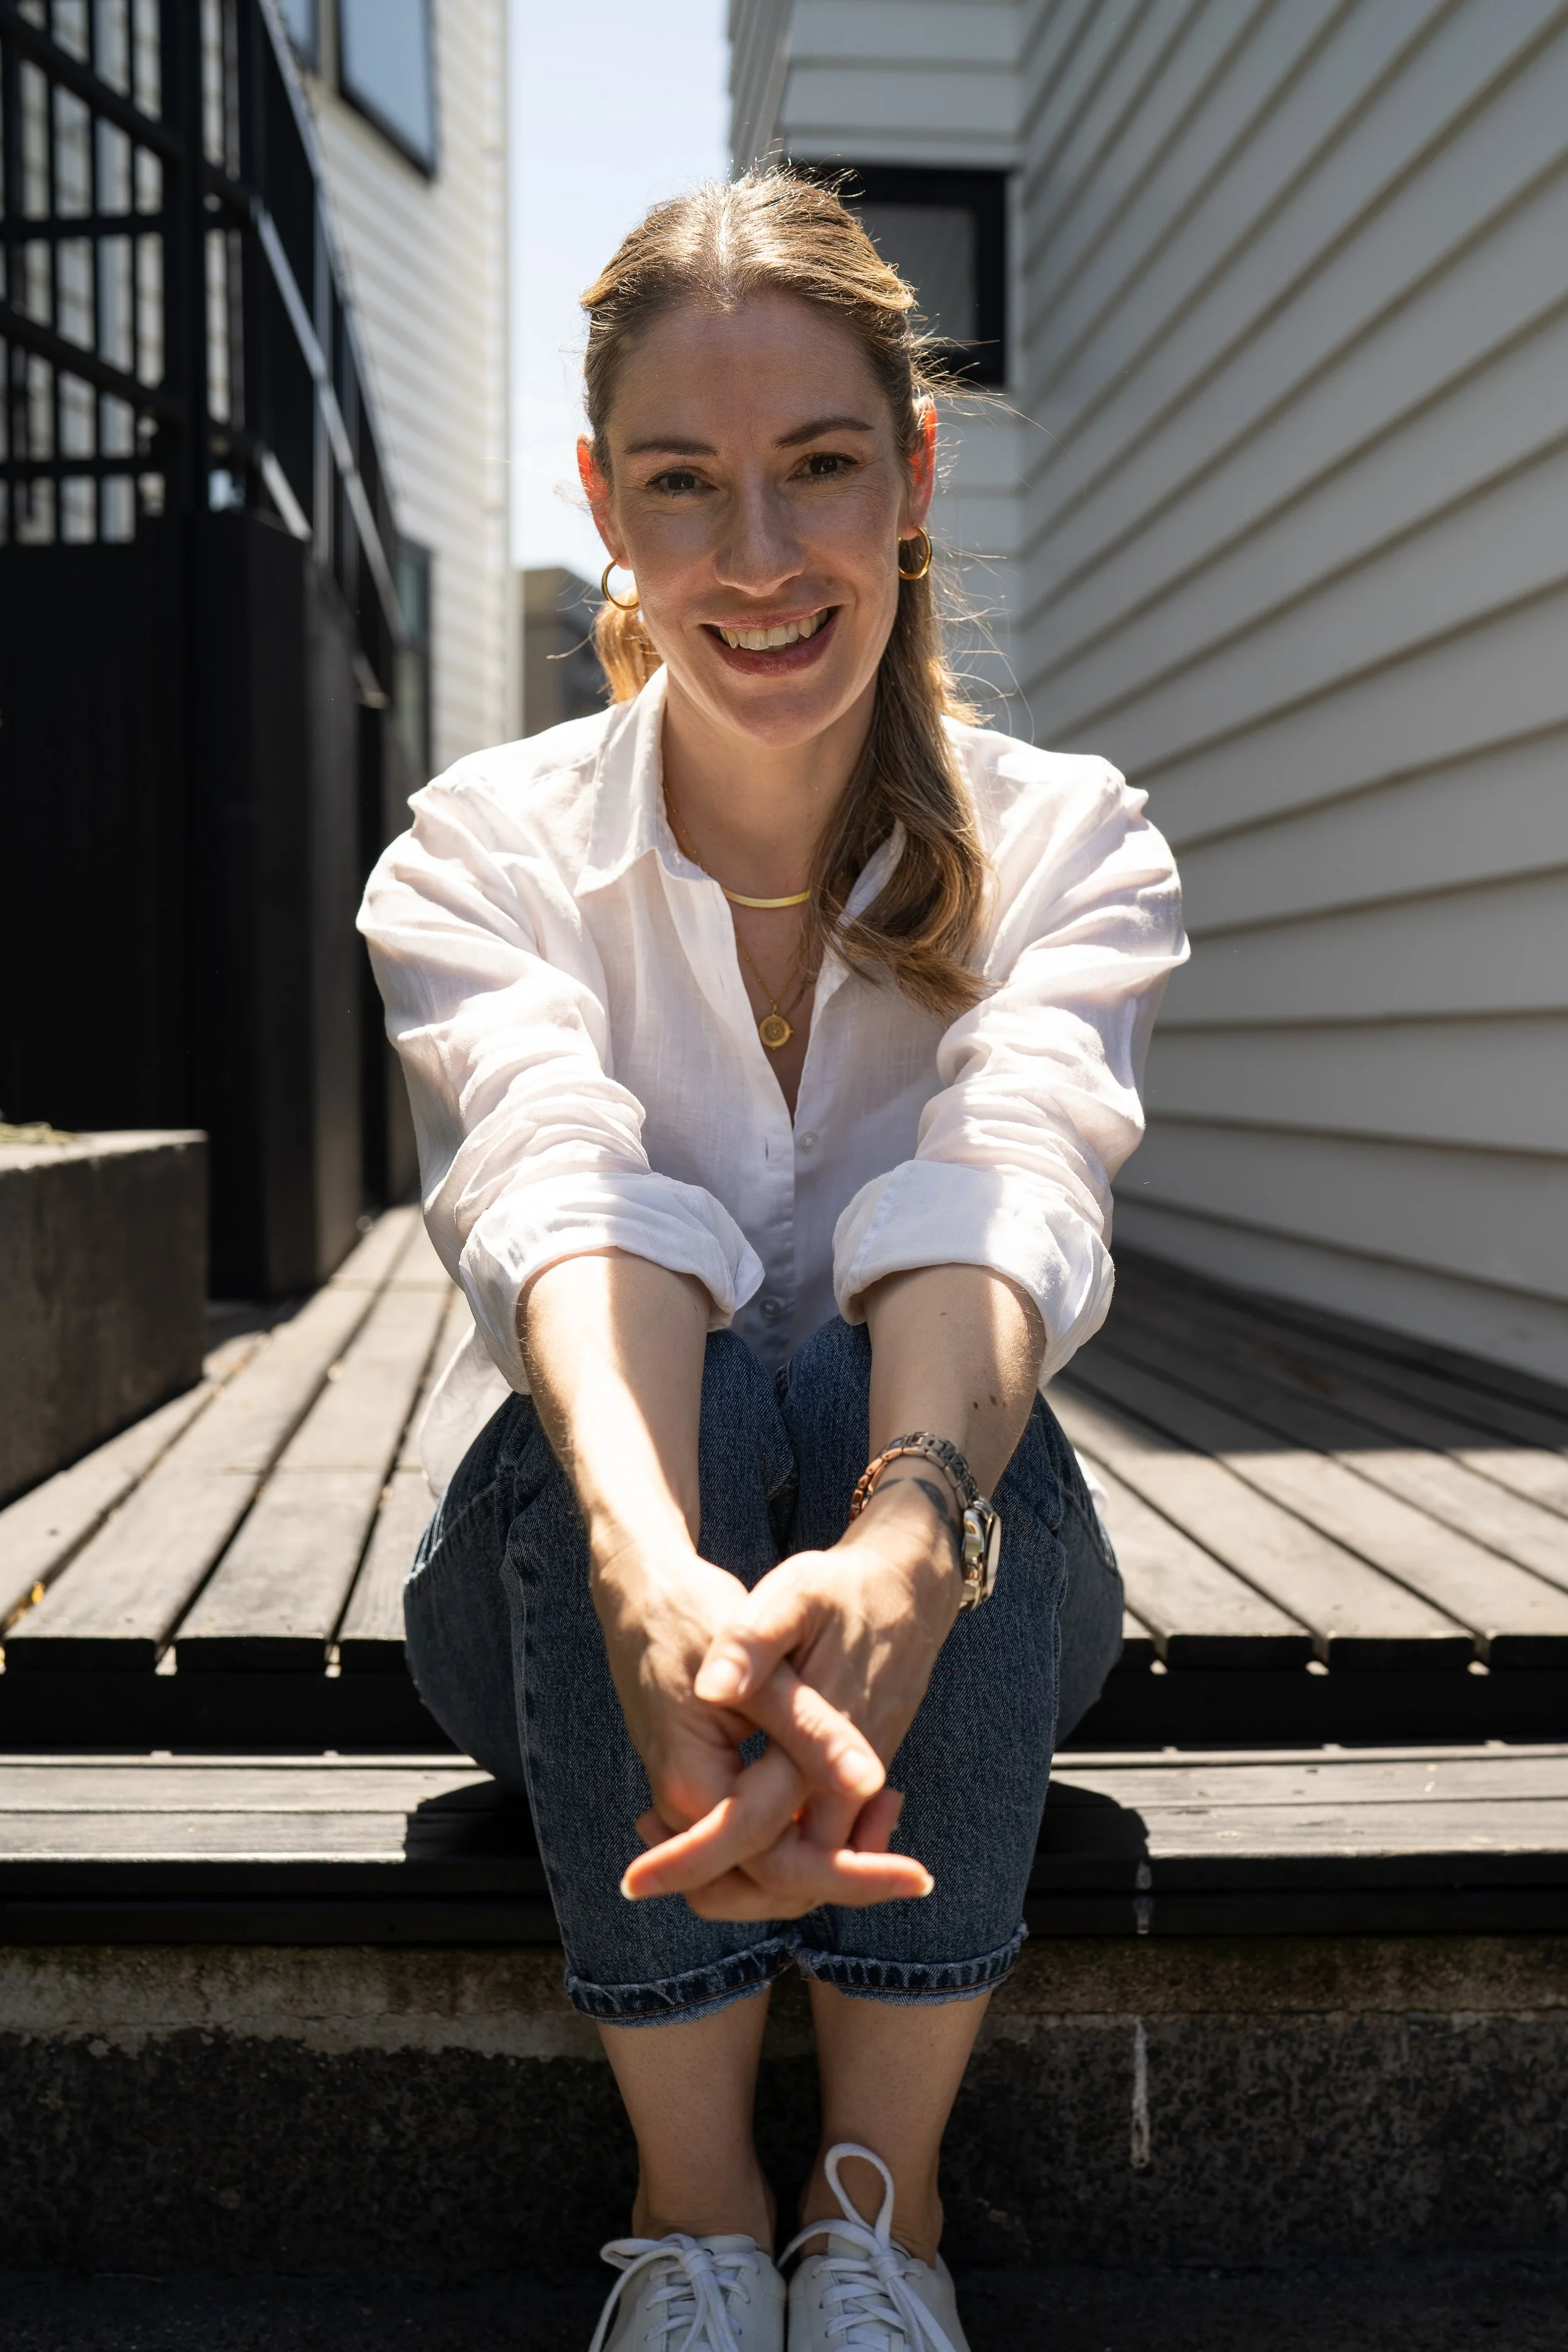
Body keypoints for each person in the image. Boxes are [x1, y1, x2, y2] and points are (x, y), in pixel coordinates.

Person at [359, 169, 1185, 2352]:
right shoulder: (483, 846)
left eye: (819, 467)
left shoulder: (1066, 834)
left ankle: (875, 2223)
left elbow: (1011, 1185)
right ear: (603, 509)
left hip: (961, 1589)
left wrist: (905, 1541)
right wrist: (650, 1572)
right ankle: (697, 2206)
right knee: (702, 1401)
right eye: (681, 484)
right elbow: (567, 1198)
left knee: (911, 1446)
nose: (754, 558)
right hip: (566, 1585)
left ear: (912, 476)